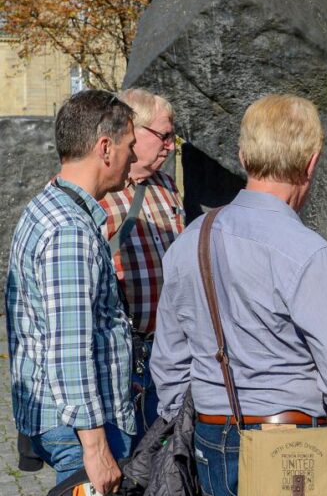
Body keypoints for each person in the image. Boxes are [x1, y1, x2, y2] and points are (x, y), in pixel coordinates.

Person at [151, 94, 327, 496]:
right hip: (291, 444)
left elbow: (169, 361)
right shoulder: (308, 252)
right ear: (312, 163)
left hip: (209, 436)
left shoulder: (190, 241)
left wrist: (187, 425)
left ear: (242, 157)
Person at [5, 90, 138, 494]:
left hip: (68, 423)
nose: (133, 157)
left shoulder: (49, 208)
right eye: (130, 146)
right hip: (81, 431)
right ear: (105, 147)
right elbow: (70, 347)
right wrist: (96, 449)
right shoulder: (69, 231)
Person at [99, 88, 184, 445]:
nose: (171, 146)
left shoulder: (167, 184)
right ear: (134, 128)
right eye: (164, 135)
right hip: (124, 355)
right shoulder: (97, 188)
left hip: (170, 349)